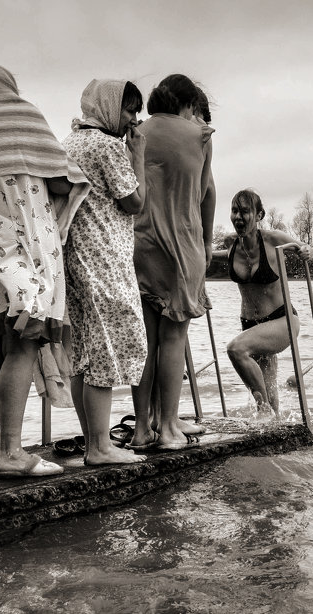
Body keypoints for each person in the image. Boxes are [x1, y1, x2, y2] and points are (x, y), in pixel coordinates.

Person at [0, 65, 91, 478]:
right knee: (23, 345)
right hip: (27, 249)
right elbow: (66, 183)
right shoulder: (25, 115)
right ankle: (13, 452)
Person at [61, 79, 149, 465]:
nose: (134, 119)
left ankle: (92, 440)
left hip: (73, 256)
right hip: (103, 257)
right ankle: (100, 447)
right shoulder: (108, 146)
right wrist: (139, 157)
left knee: (83, 350)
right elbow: (134, 202)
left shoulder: (70, 142)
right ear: (111, 109)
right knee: (108, 348)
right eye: (129, 110)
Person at [127, 75, 215, 451]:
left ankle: (142, 428)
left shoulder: (136, 133)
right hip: (182, 242)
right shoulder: (201, 136)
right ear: (190, 103)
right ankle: (168, 428)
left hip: (139, 243)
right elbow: (206, 191)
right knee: (173, 337)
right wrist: (208, 242)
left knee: (144, 341)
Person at [212, 190, 313, 414]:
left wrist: (306, 250)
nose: (238, 216)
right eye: (234, 210)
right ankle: (275, 427)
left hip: (282, 320)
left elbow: (303, 248)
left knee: (236, 349)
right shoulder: (231, 243)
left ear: (259, 215)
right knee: (267, 387)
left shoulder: (273, 239)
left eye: (245, 211)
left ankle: (264, 410)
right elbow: (213, 255)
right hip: (250, 324)